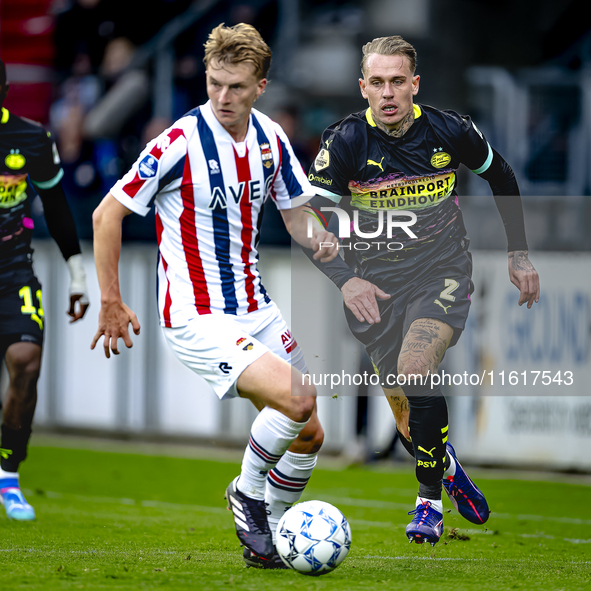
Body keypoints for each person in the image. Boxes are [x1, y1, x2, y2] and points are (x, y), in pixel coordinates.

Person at [91, 23, 337, 568]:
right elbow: (106, 214)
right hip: (197, 314)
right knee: (295, 399)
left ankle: (269, 541)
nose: (223, 97)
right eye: (214, 83)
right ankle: (247, 494)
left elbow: (295, 211)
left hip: (255, 306)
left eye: (237, 87)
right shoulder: (177, 143)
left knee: (310, 432)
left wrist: (324, 242)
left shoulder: (270, 138)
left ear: (261, 86)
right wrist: (110, 298)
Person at [305, 35, 540, 545]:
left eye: (397, 81)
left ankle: (427, 505)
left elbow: (501, 175)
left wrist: (518, 253)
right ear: (362, 87)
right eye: (377, 82)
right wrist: (346, 281)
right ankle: (447, 467)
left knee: (416, 368)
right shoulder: (345, 143)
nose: (388, 93)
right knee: (413, 427)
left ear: (415, 84)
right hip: (375, 289)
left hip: (442, 273)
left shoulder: (449, 130)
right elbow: (309, 222)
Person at [0, 60, 90, 520]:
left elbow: (54, 205)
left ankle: (8, 475)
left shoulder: (31, 138)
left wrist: (77, 272)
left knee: (25, 360)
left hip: (13, 271)